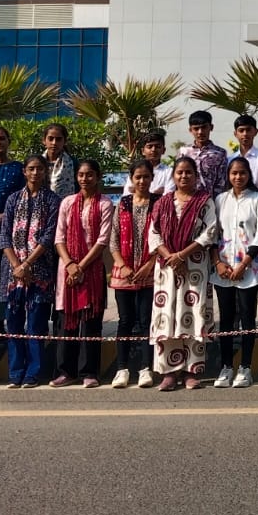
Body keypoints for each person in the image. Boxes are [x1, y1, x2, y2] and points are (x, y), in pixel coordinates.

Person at [149, 156, 220, 390]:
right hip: (167, 268)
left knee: (193, 314)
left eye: (189, 172)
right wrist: (171, 256)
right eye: (179, 172)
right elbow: (153, 233)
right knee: (167, 316)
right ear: (173, 176)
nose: (184, 176)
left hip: (195, 266)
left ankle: (191, 371)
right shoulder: (162, 202)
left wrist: (182, 255)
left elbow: (210, 233)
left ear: (196, 176)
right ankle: (169, 372)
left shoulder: (204, 201)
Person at [0, 154, 59, 389]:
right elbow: (4, 236)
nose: (35, 173)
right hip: (12, 274)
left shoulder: (52, 200)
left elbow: (48, 236)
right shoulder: (13, 199)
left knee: (36, 324)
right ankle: (15, 373)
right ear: (24, 171)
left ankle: (33, 373)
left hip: (40, 271)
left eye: (40, 169)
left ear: (45, 172)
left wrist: (27, 264)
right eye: (31, 168)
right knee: (13, 324)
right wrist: (17, 265)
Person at [52, 159, 112, 388]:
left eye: (89, 174)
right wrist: (69, 264)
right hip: (67, 271)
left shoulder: (105, 204)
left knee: (90, 322)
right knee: (66, 321)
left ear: (97, 177)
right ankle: (65, 372)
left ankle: (89, 372)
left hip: (92, 270)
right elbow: (59, 237)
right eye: (81, 175)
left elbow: (102, 240)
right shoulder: (67, 202)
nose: (85, 179)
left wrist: (81, 267)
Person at [212, 156, 258, 388]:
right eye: (234, 173)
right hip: (223, 270)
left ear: (249, 175)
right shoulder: (220, 199)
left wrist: (243, 264)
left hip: (249, 269)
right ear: (228, 175)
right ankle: (226, 367)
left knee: (248, 318)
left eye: (242, 173)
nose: (238, 177)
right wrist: (218, 263)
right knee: (225, 319)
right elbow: (213, 233)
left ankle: (245, 367)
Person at [109, 160, 159, 388]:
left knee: (147, 321)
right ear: (131, 178)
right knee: (125, 321)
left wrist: (149, 265)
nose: (142, 181)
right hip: (125, 273)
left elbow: (163, 238)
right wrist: (123, 266)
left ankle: (145, 368)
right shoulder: (123, 203)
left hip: (150, 272)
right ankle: (122, 368)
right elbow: (114, 239)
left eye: (146, 176)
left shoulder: (159, 203)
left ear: (152, 178)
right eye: (138, 177)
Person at [182, 111, 230, 199]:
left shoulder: (219, 153)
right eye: (196, 129)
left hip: (210, 202)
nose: (200, 132)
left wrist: (216, 202)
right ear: (190, 130)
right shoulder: (184, 152)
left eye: (204, 127)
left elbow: (222, 183)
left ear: (211, 127)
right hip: (186, 201)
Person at [129, 130, 178, 196]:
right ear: (143, 151)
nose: (153, 150)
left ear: (163, 150)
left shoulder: (169, 172)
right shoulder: (136, 171)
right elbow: (128, 194)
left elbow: (168, 196)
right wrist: (156, 194)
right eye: (149, 147)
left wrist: (139, 192)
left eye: (157, 147)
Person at [42, 121, 77, 197]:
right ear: (44, 140)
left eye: (58, 139)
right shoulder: (36, 163)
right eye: (50, 139)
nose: (54, 143)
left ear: (65, 141)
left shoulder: (73, 164)